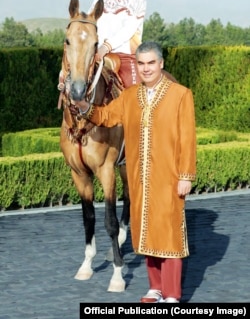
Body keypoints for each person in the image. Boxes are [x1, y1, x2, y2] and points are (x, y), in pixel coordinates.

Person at [74, 41, 197, 303]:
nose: (146, 68)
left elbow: (188, 138)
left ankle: (172, 294)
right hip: (139, 177)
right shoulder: (130, 97)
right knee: (147, 230)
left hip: (170, 176)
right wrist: (86, 107)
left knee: (169, 233)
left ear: (161, 64)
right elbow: (107, 116)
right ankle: (155, 288)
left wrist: (186, 175)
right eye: (141, 64)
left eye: (151, 63)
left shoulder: (180, 95)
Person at [88, 0, 147, 88]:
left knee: (132, 98)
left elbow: (128, 30)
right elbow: (91, 23)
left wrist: (105, 47)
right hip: (96, 55)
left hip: (124, 57)